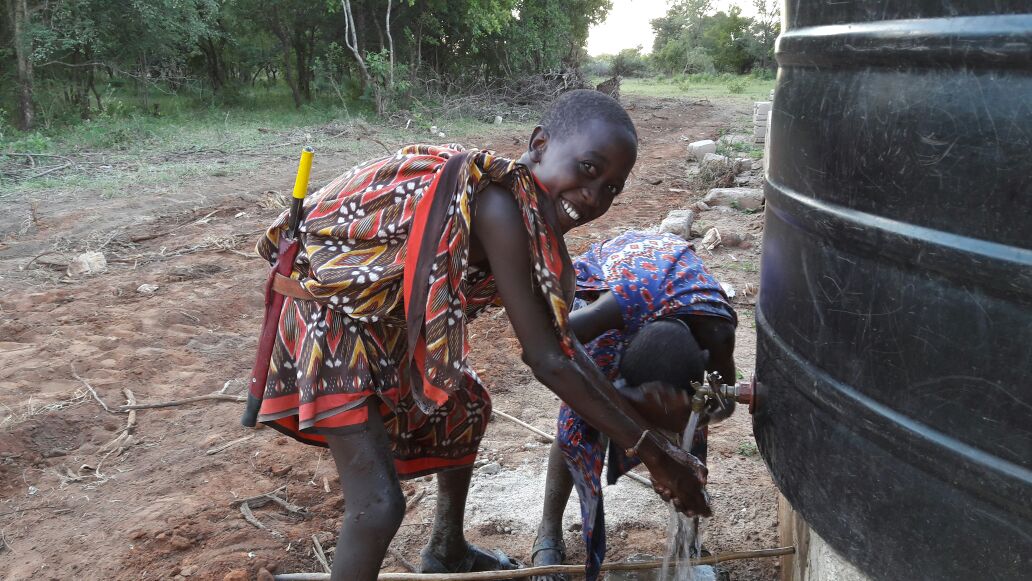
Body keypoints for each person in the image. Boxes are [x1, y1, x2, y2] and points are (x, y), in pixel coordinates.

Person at [246, 91, 711, 581]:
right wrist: (657, 455)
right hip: (330, 324)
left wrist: (654, 447)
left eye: (611, 188)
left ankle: (446, 549)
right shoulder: (499, 206)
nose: (594, 197)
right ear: (539, 145)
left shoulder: (526, 214)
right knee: (378, 506)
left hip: (383, 325)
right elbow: (546, 359)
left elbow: (563, 346)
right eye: (588, 169)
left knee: (465, 407)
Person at [529, 231, 738, 581]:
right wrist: (621, 408)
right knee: (578, 423)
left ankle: (688, 541)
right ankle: (548, 534)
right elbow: (543, 348)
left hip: (671, 291)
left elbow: (724, 404)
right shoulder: (601, 321)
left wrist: (684, 437)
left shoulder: (716, 333)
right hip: (612, 289)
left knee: (692, 433)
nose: (664, 432)